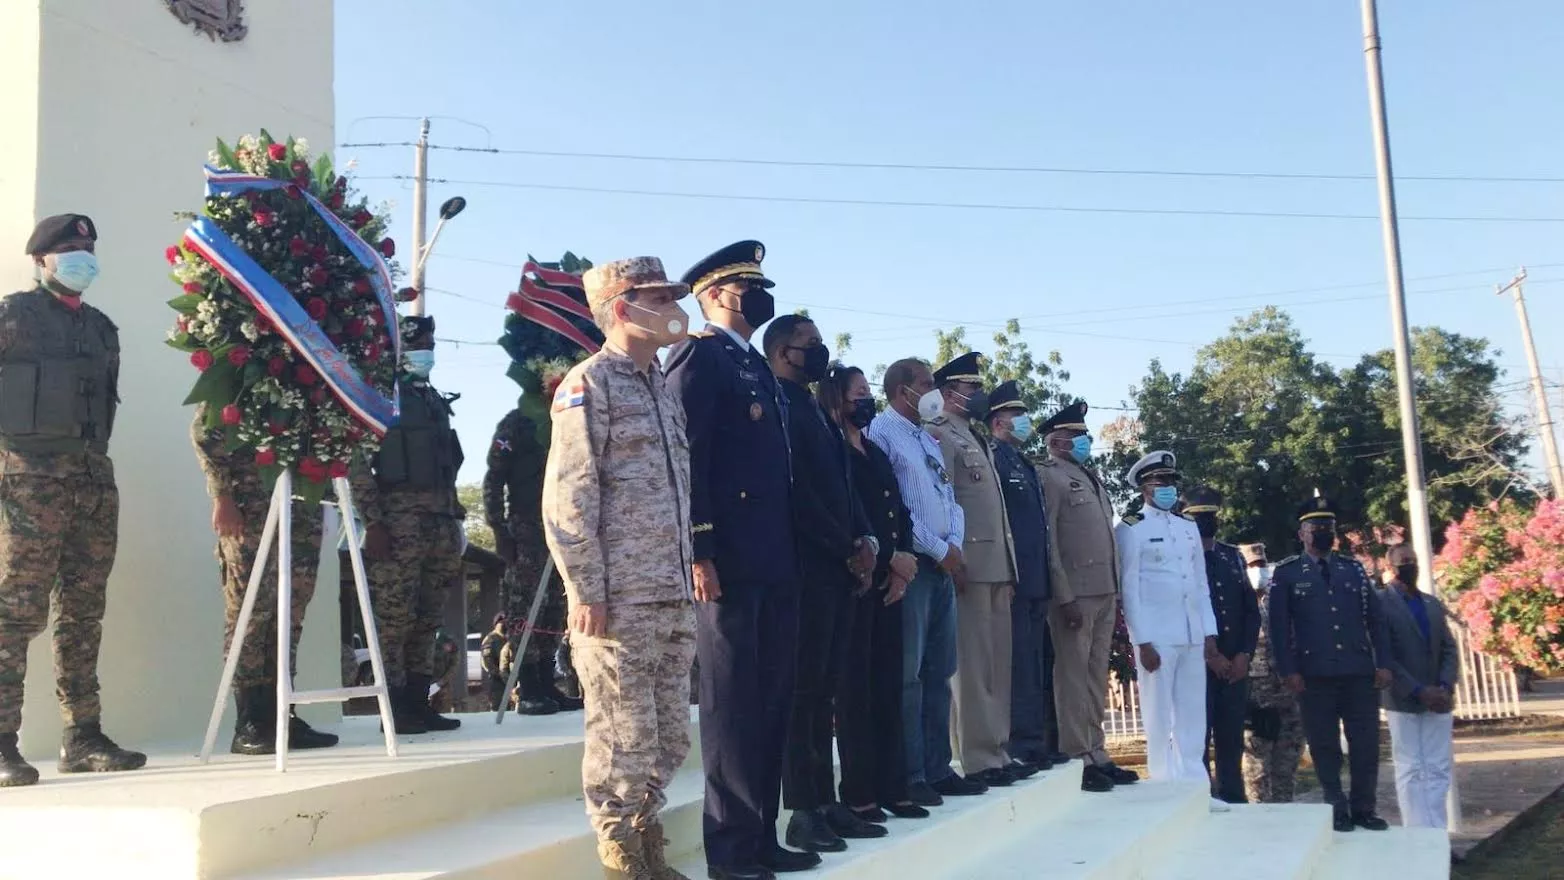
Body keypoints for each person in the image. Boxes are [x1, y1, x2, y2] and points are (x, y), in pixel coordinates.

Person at [542, 256, 698, 880]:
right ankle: (620, 860)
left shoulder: (659, 385)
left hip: (670, 590)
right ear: (624, 307)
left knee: (666, 738)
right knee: (620, 739)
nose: (671, 309)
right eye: (658, 298)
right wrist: (586, 587)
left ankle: (647, 845)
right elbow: (570, 493)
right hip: (617, 599)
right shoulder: (590, 383)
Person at [666, 241, 814, 878]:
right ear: (718, 293)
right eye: (750, 287)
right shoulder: (699, 358)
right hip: (726, 561)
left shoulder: (753, 368)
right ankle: (730, 852)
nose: (761, 298)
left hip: (775, 557)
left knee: (773, 699)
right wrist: (700, 547)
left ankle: (761, 836)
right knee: (731, 708)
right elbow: (688, 459)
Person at [0, 214, 145, 786]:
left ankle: (82, 736)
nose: (81, 256)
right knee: (16, 611)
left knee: (83, 613)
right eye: (68, 248)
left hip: (91, 482)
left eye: (87, 247)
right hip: (29, 481)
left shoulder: (103, 328)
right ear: (41, 259)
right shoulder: (12, 316)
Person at [763, 317, 883, 853]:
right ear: (783, 351)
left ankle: (826, 799)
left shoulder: (815, 407)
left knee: (825, 691)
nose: (820, 354)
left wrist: (865, 541)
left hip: (839, 566)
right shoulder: (780, 404)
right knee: (802, 692)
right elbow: (799, 492)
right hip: (808, 566)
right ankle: (801, 808)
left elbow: (843, 486)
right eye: (810, 346)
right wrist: (842, 546)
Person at [866, 358, 983, 806]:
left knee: (940, 672)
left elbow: (948, 497)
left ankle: (938, 768)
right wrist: (936, 549)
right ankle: (909, 774)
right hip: (913, 566)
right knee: (908, 676)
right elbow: (892, 506)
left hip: (942, 568)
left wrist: (953, 545)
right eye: (926, 383)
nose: (933, 390)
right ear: (901, 389)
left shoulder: (927, 438)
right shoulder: (883, 432)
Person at [193, 405, 339, 755]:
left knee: (291, 615)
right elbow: (205, 432)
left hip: (302, 508)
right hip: (250, 508)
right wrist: (222, 495)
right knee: (250, 614)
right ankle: (250, 721)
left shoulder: (311, 378)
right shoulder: (245, 370)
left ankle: (281, 714)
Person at [820, 365, 927, 823]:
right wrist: (885, 562)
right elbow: (851, 517)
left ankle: (895, 784)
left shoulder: (873, 448)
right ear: (837, 399)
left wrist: (903, 562)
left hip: (891, 582)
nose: (866, 400)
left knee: (888, 686)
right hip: (858, 582)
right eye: (858, 393)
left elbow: (897, 508)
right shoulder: (833, 449)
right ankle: (860, 790)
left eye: (867, 392)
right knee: (855, 691)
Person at [354, 316, 465, 735]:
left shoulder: (431, 398)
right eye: (421, 343)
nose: (428, 351)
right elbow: (360, 463)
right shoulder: (382, 398)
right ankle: (394, 707)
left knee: (427, 617)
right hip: (398, 521)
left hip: (439, 520)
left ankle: (419, 702)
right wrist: (374, 523)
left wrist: (454, 517)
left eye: (431, 342)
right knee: (394, 618)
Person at [926, 353, 1028, 789]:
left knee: (995, 665)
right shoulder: (940, 434)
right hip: (968, 564)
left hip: (997, 566)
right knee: (970, 668)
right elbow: (941, 501)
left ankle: (997, 750)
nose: (978, 396)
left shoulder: (978, 437)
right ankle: (977, 756)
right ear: (950, 392)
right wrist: (953, 557)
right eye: (971, 388)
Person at [1268, 495, 1393, 833]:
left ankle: (1364, 808)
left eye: (1328, 527)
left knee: (1366, 745)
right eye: (1315, 527)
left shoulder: (1352, 569)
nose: (1323, 532)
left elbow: (1375, 620)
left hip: (1358, 672)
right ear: (1302, 534)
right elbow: (1279, 628)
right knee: (1324, 745)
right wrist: (1289, 670)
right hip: (1314, 675)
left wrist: (1382, 662)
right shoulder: (1288, 573)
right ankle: (1336, 806)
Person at [1036, 401, 1135, 793]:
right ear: (1057, 441)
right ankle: (1077, 754)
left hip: (1105, 589)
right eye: (1078, 436)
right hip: (1075, 594)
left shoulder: (1088, 475)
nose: (1085, 441)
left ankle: (1098, 750)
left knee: (1096, 676)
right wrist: (1063, 595)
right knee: (1072, 677)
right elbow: (1050, 540)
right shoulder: (1050, 476)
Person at [1116, 452, 1224, 810]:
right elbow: (1129, 587)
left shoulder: (1187, 527)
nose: (1167, 488)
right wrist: (1140, 640)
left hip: (1191, 633)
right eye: (1159, 482)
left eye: (1170, 482)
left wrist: (1209, 634)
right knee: (1160, 716)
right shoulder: (1131, 527)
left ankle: (1196, 789)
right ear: (1144, 487)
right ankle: (1163, 784)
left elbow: (1200, 585)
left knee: (1193, 715)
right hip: (1157, 637)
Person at [986, 380, 1066, 772]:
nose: (1025, 422)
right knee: (1016, 663)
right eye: (1018, 416)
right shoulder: (994, 458)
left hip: (1036, 579)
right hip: (1014, 577)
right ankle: (1019, 742)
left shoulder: (1023, 463)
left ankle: (1035, 740)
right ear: (999, 421)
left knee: (1035, 662)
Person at [484, 403, 581, 715]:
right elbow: (494, 478)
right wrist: (499, 528)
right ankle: (527, 687)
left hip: (565, 527)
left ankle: (545, 682)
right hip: (526, 529)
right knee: (525, 607)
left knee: (554, 606)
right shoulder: (518, 424)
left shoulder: (571, 415)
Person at [1182, 486, 1260, 805]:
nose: (1206, 522)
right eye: (1199, 517)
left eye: (1210, 517)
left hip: (1234, 665)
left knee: (1231, 744)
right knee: (1197, 742)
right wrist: (1209, 655)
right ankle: (1202, 801)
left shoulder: (1232, 556)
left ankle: (1234, 800)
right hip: (1199, 666)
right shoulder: (1182, 558)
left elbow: (1250, 612)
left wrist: (1244, 654)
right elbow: (1182, 610)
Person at [1379, 544, 1460, 830]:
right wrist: (1417, 690)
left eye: (1412, 561)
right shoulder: (1380, 603)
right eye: (1403, 562)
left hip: (1439, 697)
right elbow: (1384, 654)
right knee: (1410, 768)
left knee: (1438, 768)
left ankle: (1437, 835)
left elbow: (1448, 647)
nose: (1409, 566)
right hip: (1403, 700)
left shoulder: (1431, 602)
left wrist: (1444, 686)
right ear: (1388, 568)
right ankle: (1416, 835)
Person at [1240, 543, 1304, 803]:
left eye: (1261, 565)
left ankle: (1284, 819)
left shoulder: (1281, 600)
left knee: (1286, 768)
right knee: (1257, 772)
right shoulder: (1239, 605)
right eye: (1252, 566)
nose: (1258, 570)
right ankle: (1259, 824)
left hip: (1288, 698)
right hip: (1257, 701)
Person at [480, 613, 508, 712]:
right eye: (502, 622)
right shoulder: (491, 639)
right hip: (498, 681)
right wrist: (499, 673)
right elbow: (486, 660)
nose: (505, 624)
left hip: (511, 679)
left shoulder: (509, 638)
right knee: (498, 707)